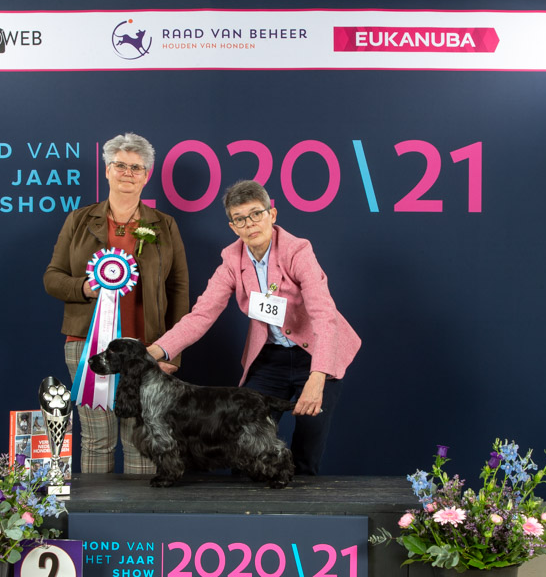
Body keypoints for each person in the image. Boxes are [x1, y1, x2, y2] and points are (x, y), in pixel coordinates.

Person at [147, 180, 360, 475]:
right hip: (270, 357)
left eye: (256, 214)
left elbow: (324, 316)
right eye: (240, 219)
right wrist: (154, 352)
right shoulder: (231, 260)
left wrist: (318, 376)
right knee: (243, 441)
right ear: (233, 227)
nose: (249, 224)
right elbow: (201, 315)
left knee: (308, 441)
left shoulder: (298, 251)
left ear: (272, 214)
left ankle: (303, 497)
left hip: (316, 353)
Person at [44, 133, 189, 474]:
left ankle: (141, 511)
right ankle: (96, 511)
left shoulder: (165, 225)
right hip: (87, 345)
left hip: (149, 348)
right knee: (97, 440)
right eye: (120, 165)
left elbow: (179, 289)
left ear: (146, 176)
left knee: (142, 438)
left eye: (136, 167)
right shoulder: (78, 220)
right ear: (107, 170)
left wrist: (172, 351)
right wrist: (85, 287)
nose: (128, 173)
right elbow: (52, 277)